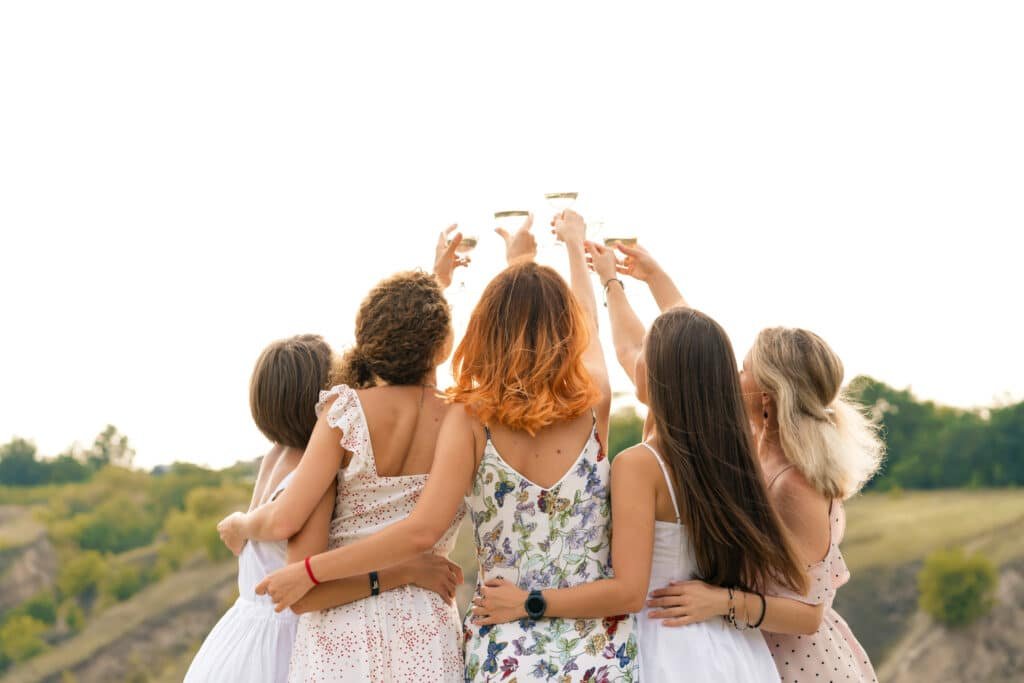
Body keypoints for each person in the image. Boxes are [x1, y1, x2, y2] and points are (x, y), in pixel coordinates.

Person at [253, 211, 642, 682]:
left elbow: (419, 526)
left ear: (484, 328)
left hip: (506, 652)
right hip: (596, 656)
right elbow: (589, 334)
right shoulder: (595, 402)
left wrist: (310, 572)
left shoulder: (473, 417)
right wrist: (574, 257)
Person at [472, 242, 809, 682]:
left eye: (645, 353)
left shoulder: (640, 464)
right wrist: (627, 281)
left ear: (664, 374)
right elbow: (701, 350)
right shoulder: (737, 453)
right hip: (734, 652)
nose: (634, 359)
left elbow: (628, 591)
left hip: (663, 647)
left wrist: (529, 601)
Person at [611, 243, 883, 682]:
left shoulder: (795, 483)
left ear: (768, 399)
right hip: (750, 647)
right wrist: (654, 278)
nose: (730, 375)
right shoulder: (752, 446)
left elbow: (809, 615)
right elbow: (689, 357)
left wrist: (721, 603)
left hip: (800, 664)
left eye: (743, 368)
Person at [214, 230, 471, 682]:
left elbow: (290, 528)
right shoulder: (461, 419)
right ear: (444, 344)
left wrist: (242, 524)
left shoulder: (345, 413)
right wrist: (436, 291)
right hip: (425, 632)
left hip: (339, 635)